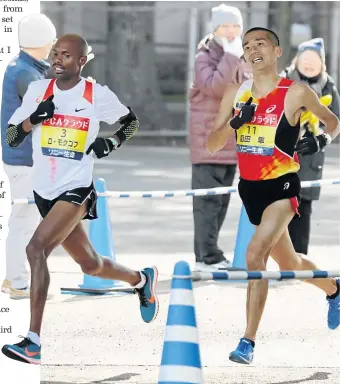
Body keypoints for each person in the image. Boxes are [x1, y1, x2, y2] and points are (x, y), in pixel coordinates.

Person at [1, 34, 159, 365]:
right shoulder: (37, 91)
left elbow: (131, 123)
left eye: (67, 56)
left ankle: (32, 342)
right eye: (55, 53)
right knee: (91, 264)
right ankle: (142, 279)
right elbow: (12, 137)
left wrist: (110, 143)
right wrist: (34, 119)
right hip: (44, 191)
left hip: (76, 190)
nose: (58, 60)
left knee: (35, 248)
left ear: (82, 62)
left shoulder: (95, 95)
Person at [206, 27, 340, 365]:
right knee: (290, 263)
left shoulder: (295, 92)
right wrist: (237, 123)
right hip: (250, 188)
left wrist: (321, 141)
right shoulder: (236, 93)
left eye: (260, 43)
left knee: (254, 257)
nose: (253, 49)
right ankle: (335, 289)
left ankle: (247, 341)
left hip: (282, 186)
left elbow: (333, 122)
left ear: (277, 51)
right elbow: (211, 143)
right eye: (247, 45)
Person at [189, 4, 251, 271]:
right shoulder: (205, 56)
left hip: (232, 139)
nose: (230, 31)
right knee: (207, 201)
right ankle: (207, 257)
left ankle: (208, 255)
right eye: (225, 26)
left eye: (235, 26)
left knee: (222, 199)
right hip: (209, 140)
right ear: (214, 29)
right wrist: (230, 56)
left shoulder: (243, 54)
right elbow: (216, 87)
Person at [1, 13, 56, 299]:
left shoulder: (24, 66)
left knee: (24, 218)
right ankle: (18, 282)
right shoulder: (24, 72)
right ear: (41, 41)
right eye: (51, 40)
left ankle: (14, 278)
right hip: (23, 159)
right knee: (24, 219)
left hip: (19, 157)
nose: (52, 45)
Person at [281, 38, 340, 255]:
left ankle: (299, 259)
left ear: (322, 64)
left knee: (303, 208)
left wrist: (322, 138)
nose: (308, 64)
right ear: (297, 60)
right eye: (305, 58)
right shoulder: (284, 80)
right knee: (280, 206)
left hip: (311, 157)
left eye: (314, 60)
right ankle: (280, 259)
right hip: (282, 155)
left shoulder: (328, 87)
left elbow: (336, 121)